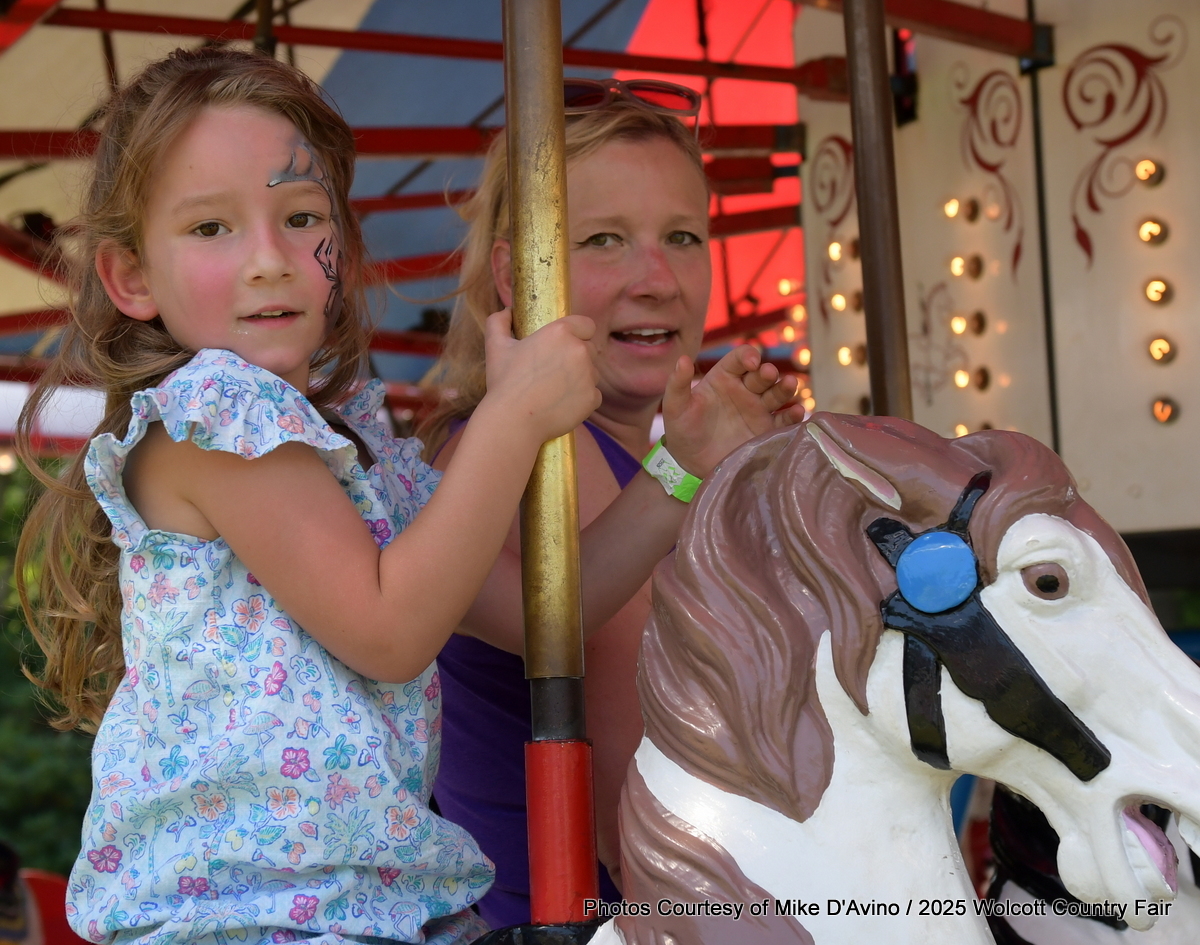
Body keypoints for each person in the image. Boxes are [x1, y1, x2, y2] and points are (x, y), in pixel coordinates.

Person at [16, 51, 795, 945]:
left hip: (367, 906)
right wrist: (511, 418)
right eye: (211, 228)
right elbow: (389, 634)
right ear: (131, 277)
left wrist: (679, 468)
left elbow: (545, 614)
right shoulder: (213, 422)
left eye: (300, 218)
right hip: (246, 914)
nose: (269, 260)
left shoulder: (346, 445)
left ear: (340, 248)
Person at [422, 83, 804, 928]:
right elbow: (650, 801)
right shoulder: (542, 455)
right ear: (516, 273)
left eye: (683, 237)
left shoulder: (634, 458)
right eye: (604, 240)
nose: (658, 279)